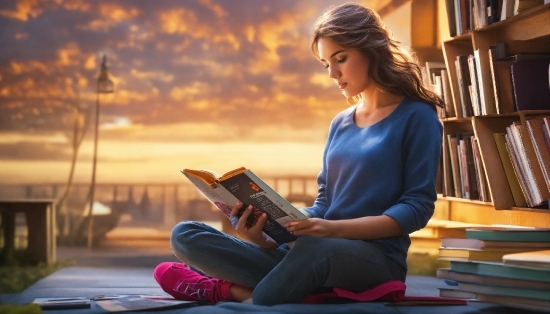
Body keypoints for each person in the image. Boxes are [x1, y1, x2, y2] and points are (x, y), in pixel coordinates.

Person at [154, 2, 444, 305]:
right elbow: (324, 205)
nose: (333, 73)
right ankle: (293, 286)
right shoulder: (341, 123)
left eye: (340, 59)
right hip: (315, 249)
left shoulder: (417, 116)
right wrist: (270, 230)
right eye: (325, 64)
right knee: (186, 234)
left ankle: (231, 292)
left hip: (374, 259)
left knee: (314, 250)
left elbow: (416, 208)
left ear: (371, 49)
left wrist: (330, 231)